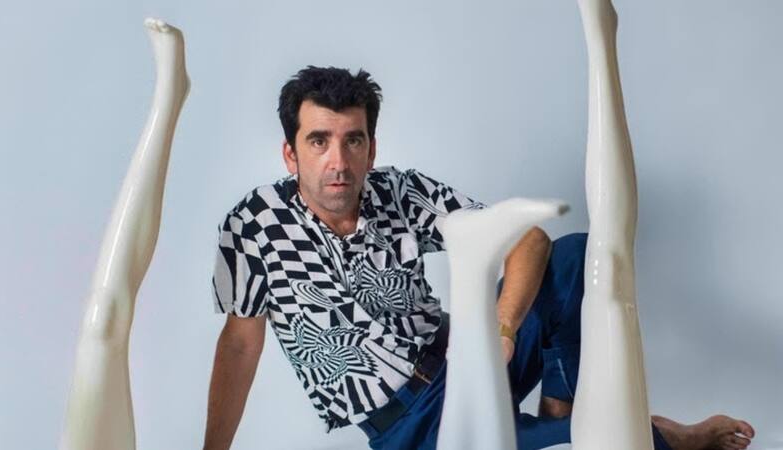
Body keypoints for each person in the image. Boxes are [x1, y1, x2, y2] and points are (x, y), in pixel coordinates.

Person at [202, 66, 755, 450]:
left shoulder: (399, 191)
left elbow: (527, 239)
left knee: (578, 257)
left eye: (354, 140)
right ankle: (665, 437)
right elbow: (241, 343)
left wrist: (502, 329)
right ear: (291, 153)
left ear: (372, 148)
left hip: (469, 353)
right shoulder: (253, 225)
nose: (338, 161)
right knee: (597, 442)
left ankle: (557, 412)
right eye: (319, 141)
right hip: (410, 425)